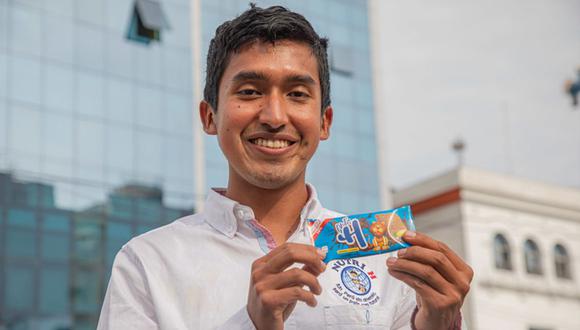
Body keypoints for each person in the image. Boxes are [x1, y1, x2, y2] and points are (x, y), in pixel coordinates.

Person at [97, 5, 473, 330]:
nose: (275, 117)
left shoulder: (388, 264)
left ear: (325, 122)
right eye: (249, 92)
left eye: (297, 94)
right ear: (209, 116)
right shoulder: (148, 263)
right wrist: (252, 323)